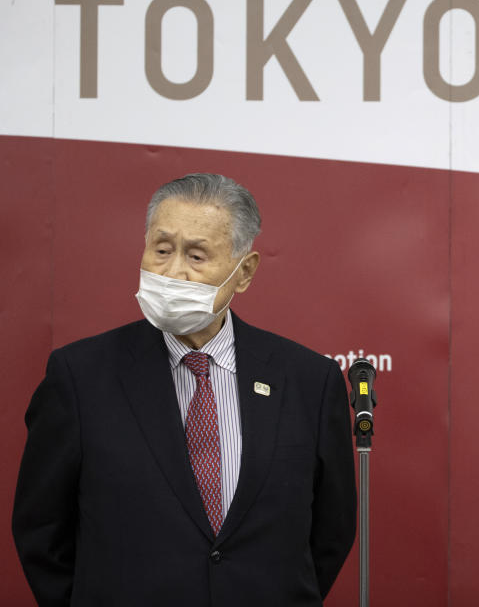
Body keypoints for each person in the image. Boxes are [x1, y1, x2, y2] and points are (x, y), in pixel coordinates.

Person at [12, 173, 356, 606]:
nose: (173, 272)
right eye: (161, 250)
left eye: (196, 256)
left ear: (243, 271)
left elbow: (331, 530)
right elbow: (41, 528)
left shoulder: (308, 380)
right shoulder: (80, 375)